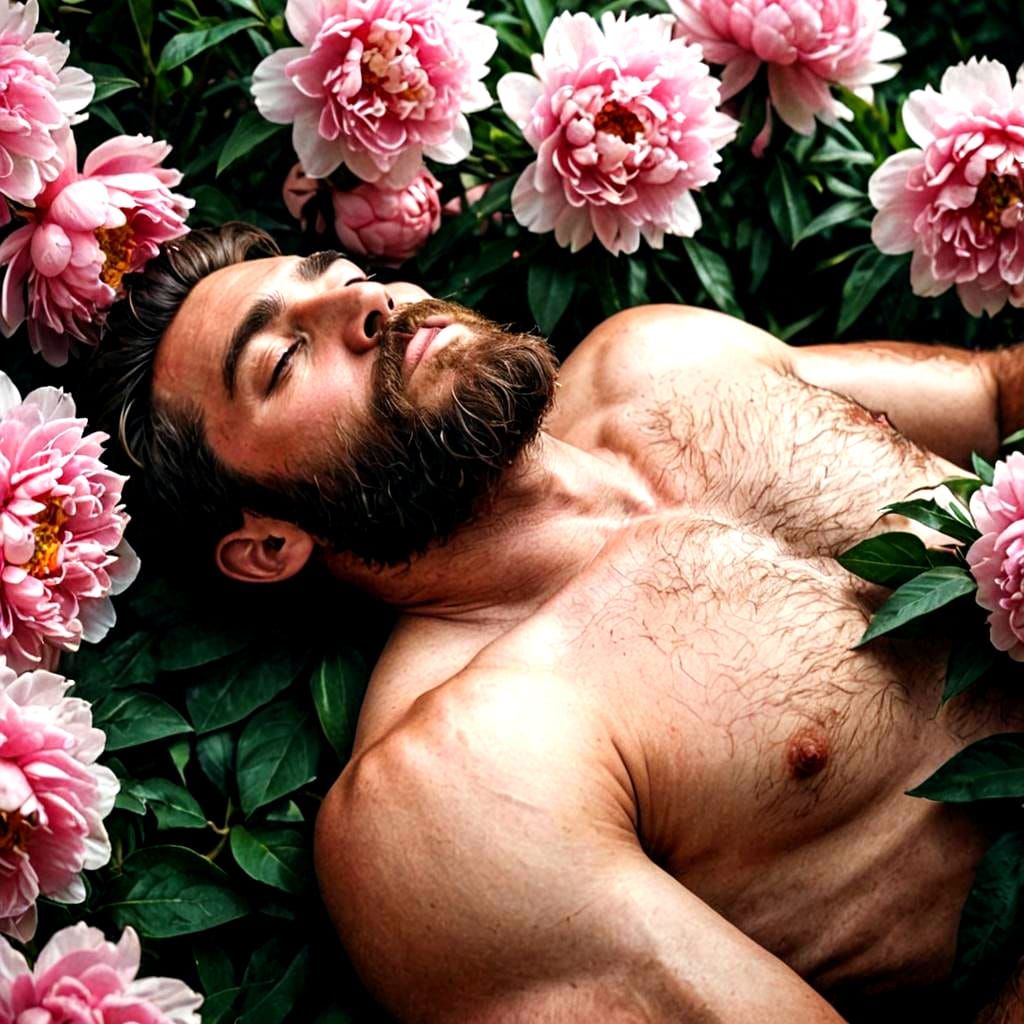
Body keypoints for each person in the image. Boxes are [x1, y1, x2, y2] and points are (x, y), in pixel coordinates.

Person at [97, 223, 1024, 1023]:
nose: (369, 305)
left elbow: (992, 396)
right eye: (285, 359)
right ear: (267, 544)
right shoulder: (450, 789)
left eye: (340, 274)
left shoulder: (661, 357)